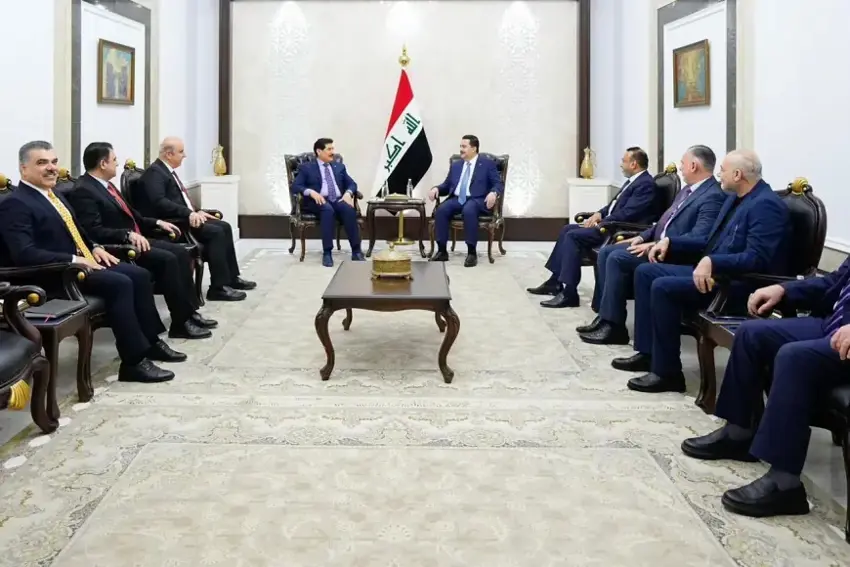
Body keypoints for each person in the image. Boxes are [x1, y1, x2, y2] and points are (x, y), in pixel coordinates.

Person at [0, 141, 182, 383]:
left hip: (80, 263)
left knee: (139, 275)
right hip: (53, 275)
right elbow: (25, 253)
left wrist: (94, 247)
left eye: (54, 161)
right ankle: (133, 363)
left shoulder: (53, 195)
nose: (52, 168)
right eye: (42, 163)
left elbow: (78, 230)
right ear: (23, 169)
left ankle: (151, 343)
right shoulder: (16, 203)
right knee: (120, 283)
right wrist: (74, 259)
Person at [681, 258, 850, 518]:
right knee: (751, 334)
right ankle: (739, 433)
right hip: (834, 325)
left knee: (794, 357)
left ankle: (785, 484)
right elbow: (834, 282)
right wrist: (783, 289)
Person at [613, 149, 790, 394]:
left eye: (723, 171)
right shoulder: (735, 197)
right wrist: (670, 243)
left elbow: (757, 259)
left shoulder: (766, 205)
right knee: (646, 272)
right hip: (714, 273)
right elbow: (709, 240)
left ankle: (668, 373)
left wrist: (712, 262)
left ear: (738, 175)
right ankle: (649, 353)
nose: (718, 175)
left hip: (737, 284)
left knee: (663, 287)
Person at [68, 141, 217, 339]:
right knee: (168, 260)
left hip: (138, 238)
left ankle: (189, 313)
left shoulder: (106, 185)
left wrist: (157, 222)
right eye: (114, 160)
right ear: (103, 164)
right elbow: (93, 231)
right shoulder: (84, 190)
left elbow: (134, 216)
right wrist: (126, 235)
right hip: (120, 246)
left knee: (181, 253)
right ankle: (180, 323)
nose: (117, 163)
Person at [578, 145, 725, 345]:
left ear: (693, 166)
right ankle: (606, 318)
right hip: (655, 244)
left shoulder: (712, 196)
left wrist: (661, 243)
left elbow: (700, 236)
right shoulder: (688, 190)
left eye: (683, 163)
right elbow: (664, 221)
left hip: (672, 253)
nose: (681, 167)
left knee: (617, 257)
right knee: (607, 252)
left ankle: (614, 327)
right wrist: (641, 237)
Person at [527, 147, 656, 307]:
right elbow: (612, 206)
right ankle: (555, 282)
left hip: (616, 230)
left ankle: (570, 293)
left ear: (634, 164)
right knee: (568, 229)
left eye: (624, 161)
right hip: (609, 224)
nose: (621, 164)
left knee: (573, 236)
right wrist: (598, 214)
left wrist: (604, 221)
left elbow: (629, 213)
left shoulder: (645, 184)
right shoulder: (633, 181)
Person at [133, 137, 255, 301]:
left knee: (224, 226)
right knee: (216, 232)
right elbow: (159, 202)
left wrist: (197, 211)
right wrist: (188, 213)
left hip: (183, 217)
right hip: (172, 224)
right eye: (181, 152)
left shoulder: (165, 171)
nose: (184, 155)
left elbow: (180, 200)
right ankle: (218, 288)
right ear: (169, 154)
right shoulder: (154, 174)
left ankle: (231, 278)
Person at [428, 135, 503, 267]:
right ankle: (442, 251)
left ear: (474, 148)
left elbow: (498, 183)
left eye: (464, 146)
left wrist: (493, 192)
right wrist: (436, 189)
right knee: (442, 209)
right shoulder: (456, 165)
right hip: (458, 199)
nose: (461, 149)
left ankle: (471, 252)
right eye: (460, 146)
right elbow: (447, 185)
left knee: (469, 209)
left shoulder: (487, 164)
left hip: (477, 199)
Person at [290, 137, 364, 267]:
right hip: (318, 201)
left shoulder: (339, 167)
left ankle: (356, 251)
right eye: (329, 149)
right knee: (327, 210)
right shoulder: (307, 168)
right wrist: (310, 192)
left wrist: (348, 193)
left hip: (337, 199)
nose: (332, 152)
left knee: (348, 210)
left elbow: (352, 184)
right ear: (319, 151)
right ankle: (327, 252)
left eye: (333, 149)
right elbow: (296, 186)